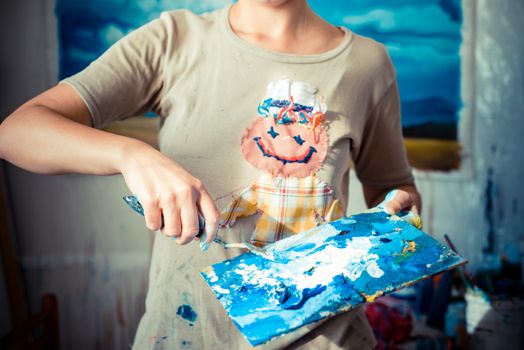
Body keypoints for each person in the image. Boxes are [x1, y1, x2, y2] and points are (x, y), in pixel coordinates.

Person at [0, 0, 421, 348]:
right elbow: (17, 132)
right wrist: (133, 155)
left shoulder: (367, 64)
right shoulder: (174, 41)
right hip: (184, 334)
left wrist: (400, 216)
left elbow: (395, 190)